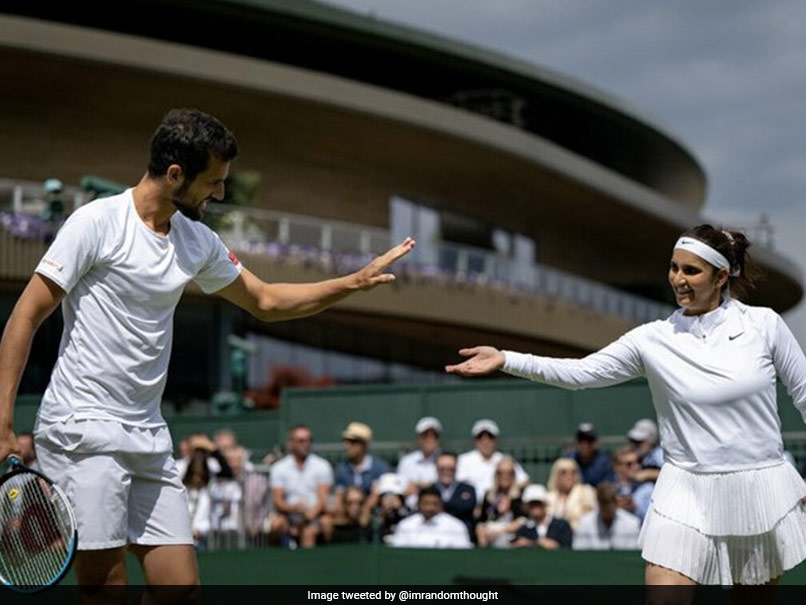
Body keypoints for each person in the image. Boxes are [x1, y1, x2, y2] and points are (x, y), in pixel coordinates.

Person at [0, 108, 415, 587]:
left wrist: (353, 282)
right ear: (175, 174)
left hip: (148, 435)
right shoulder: (95, 223)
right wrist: (3, 421)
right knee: (106, 588)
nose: (218, 193)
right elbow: (24, 316)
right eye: (213, 182)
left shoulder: (197, 240)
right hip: (82, 429)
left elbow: (266, 300)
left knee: (180, 588)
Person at [447, 224, 806, 587]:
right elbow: (582, 373)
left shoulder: (765, 325)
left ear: (721, 277)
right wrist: (507, 358)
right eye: (674, 267)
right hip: (683, 489)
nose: (678, 279)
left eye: (691, 270)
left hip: (758, 487)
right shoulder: (652, 338)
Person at [269, 425, 334, 548]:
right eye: (300, 441)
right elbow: (278, 501)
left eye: (308, 440)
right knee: (276, 525)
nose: (305, 444)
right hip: (288, 515)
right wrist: (292, 509)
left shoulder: (322, 466)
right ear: (291, 443)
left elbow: (323, 499)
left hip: (314, 516)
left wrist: (306, 517)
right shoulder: (279, 468)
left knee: (308, 532)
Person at [456, 418, 529, 502]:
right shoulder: (464, 460)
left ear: (496, 440)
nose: (485, 442)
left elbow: (525, 481)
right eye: (480, 438)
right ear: (475, 440)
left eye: (490, 438)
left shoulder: (504, 460)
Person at [387, 486, 472, 549]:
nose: (430, 508)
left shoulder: (456, 526)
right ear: (418, 504)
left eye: (435, 504)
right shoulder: (406, 525)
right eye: (426, 503)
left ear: (441, 505)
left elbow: (463, 554)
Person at [573, 482, 641, 551]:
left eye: (609, 508)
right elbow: (579, 552)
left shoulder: (632, 524)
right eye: (604, 507)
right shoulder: (585, 523)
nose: (607, 511)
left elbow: (632, 553)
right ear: (599, 504)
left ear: (616, 503)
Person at [476, 456, 524, 548]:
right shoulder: (489, 495)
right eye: (501, 473)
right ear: (496, 475)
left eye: (509, 473)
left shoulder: (521, 495)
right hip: (490, 534)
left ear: (514, 475)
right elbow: (482, 520)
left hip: (512, 537)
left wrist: (500, 531)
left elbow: (523, 521)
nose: (505, 476)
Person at [396, 416, 442, 508]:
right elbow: (404, 489)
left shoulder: (443, 460)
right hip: (410, 509)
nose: (430, 439)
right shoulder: (407, 462)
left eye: (434, 436)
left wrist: (419, 485)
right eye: (425, 436)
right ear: (419, 438)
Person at [334, 422, 390, 496]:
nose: (347, 446)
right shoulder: (342, 469)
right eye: (346, 442)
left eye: (353, 442)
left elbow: (379, 497)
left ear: (364, 444)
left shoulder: (380, 468)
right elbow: (339, 497)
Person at [510, 484, 572, 550]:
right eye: (532, 504)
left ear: (544, 504)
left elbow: (567, 547)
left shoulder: (561, 525)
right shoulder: (524, 529)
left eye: (538, 503)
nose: (535, 507)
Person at [431, 452, 476, 537]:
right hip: (434, 533)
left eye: (450, 469)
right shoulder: (429, 489)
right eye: (442, 469)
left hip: (461, 534)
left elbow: (466, 508)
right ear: (436, 469)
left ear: (456, 468)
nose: (446, 472)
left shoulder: (468, 489)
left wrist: (438, 506)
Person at [545, 458, 596, 530]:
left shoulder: (585, 493)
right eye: (563, 472)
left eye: (573, 472)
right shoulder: (548, 498)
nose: (569, 476)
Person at [609, 446, 653, 523]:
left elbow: (652, 519)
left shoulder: (648, 489)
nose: (636, 467)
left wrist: (635, 508)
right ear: (616, 467)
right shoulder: (608, 489)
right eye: (629, 464)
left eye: (637, 462)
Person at [565, 422, 612, 487]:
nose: (585, 445)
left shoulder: (604, 461)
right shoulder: (568, 459)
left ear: (595, 442)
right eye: (581, 440)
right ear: (576, 442)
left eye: (589, 440)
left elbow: (608, 486)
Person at [626, 418, 664, 483]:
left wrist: (650, 474)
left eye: (639, 442)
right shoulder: (633, 454)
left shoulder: (659, 454)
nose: (635, 445)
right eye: (633, 441)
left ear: (651, 441)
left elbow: (672, 474)